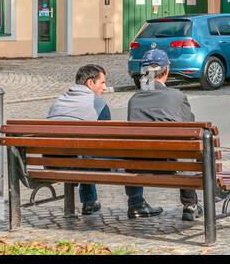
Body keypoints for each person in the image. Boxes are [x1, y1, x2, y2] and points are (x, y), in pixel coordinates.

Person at [126, 49, 199, 221]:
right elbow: (190, 129)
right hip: (171, 163)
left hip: (139, 163)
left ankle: (135, 203)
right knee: (187, 151)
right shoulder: (177, 96)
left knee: (133, 153)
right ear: (166, 71)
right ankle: (190, 204)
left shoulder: (134, 99)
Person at [46, 63, 111, 215]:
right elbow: (107, 138)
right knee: (88, 152)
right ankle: (89, 201)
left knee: (83, 151)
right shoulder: (98, 103)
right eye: (102, 82)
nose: (105, 87)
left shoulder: (58, 101)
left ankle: (89, 201)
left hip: (51, 164)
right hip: (81, 164)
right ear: (90, 83)